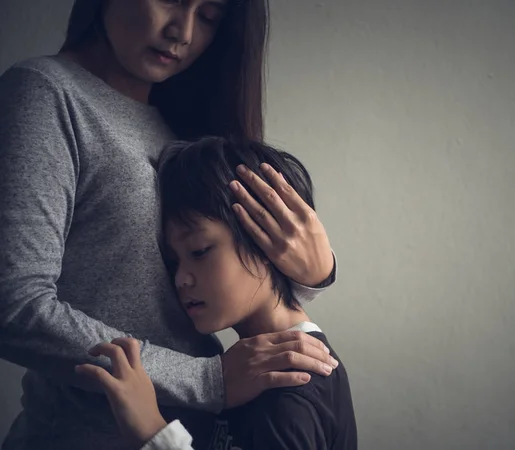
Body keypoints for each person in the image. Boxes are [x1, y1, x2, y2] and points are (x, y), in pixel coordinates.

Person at [0, 1, 338, 449]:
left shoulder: (181, 119)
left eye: (210, 16)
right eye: (172, 0)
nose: (183, 31)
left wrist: (314, 274)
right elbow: (14, 305)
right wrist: (208, 380)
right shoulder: (46, 93)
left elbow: (215, 264)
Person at [77, 137, 357, 450]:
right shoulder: (256, 373)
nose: (181, 279)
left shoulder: (290, 387)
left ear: (265, 239)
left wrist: (154, 435)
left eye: (199, 251)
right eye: (173, 262)